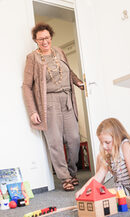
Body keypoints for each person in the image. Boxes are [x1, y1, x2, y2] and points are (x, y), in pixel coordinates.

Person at [22, 23, 84, 191]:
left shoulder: (59, 52)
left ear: (51, 37)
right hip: (48, 102)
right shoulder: (32, 58)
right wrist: (33, 111)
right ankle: (65, 178)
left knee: (74, 139)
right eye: (41, 39)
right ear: (35, 40)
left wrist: (78, 82)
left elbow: (69, 71)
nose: (45, 41)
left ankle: (72, 172)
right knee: (55, 142)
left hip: (67, 99)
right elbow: (26, 86)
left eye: (47, 38)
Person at [75, 118, 130, 205]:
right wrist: (83, 190)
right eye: (101, 142)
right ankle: (128, 198)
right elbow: (98, 176)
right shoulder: (108, 154)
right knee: (107, 196)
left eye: (107, 142)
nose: (104, 146)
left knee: (114, 199)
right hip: (124, 187)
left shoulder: (125, 146)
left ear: (117, 137)